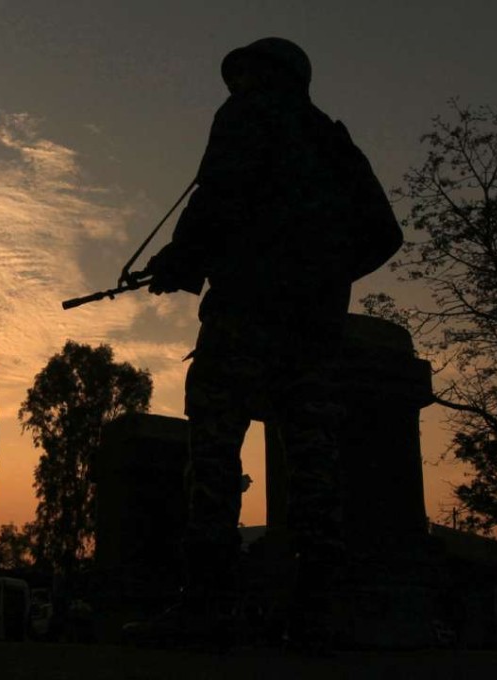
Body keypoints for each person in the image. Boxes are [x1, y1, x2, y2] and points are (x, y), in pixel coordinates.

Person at [131, 38, 402, 648]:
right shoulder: (333, 140)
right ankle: (318, 612)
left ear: (265, 75)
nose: (235, 86)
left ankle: (206, 606)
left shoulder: (248, 115)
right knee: (313, 459)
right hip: (313, 329)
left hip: (244, 316)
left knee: (215, 448)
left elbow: (219, 195)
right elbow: (385, 234)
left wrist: (182, 260)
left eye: (242, 74)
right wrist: (324, 279)